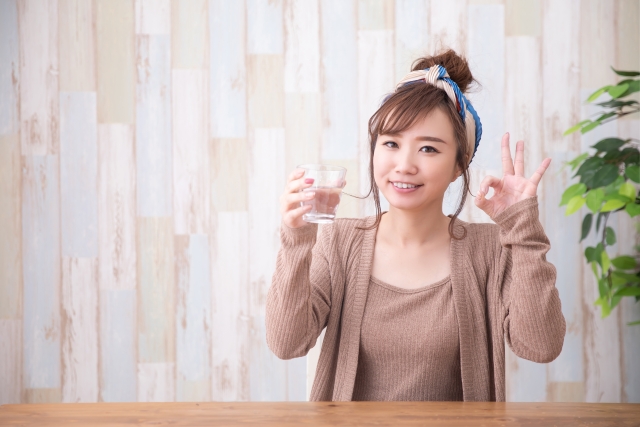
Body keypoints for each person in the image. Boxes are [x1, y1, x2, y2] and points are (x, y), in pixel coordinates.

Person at [265, 49, 566, 402]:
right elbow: (287, 343)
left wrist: (523, 230)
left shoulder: (490, 249)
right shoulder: (338, 241)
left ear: (459, 165)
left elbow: (540, 346)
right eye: (391, 143)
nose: (404, 165)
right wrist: (297, 237)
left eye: (428, 149)